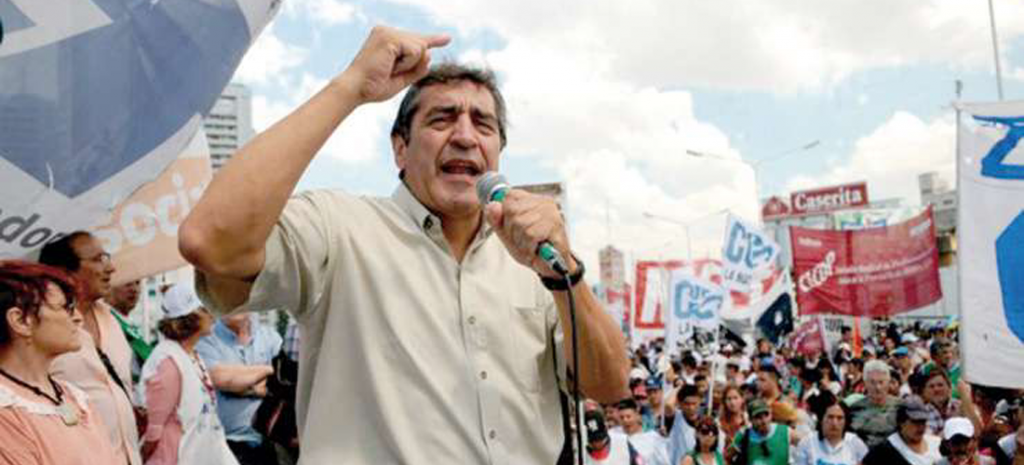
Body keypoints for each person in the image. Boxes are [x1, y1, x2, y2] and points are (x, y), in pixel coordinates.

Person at [177, 25, 630, 464]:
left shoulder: (534, 260)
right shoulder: (339, 230)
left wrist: (564, 273)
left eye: (483, 124)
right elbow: (210, 240)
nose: (465, 137)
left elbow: (610, 384)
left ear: (497, 154)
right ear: (400, 149)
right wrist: (351, 87)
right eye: (442, 119)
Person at [0, 260, 121, 464]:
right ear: (20, 321)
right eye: (66, 307)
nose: (78, 318)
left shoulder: (74, 396)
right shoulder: (6, 411)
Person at [39, 231, 143, 465]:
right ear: (65, 272)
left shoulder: (112, 320)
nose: (111, 268)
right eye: (98, 260)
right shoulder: (42, 330)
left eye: (107, 258)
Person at [139, 282, 236, 465]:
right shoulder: (168, 361)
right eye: (206, 310)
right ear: (189, 318)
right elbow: (154, 430)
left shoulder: (191, 355)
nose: (213, 315)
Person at [195, 313, 281, 465]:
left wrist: (239, 383)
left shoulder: (270, 337)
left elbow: (282, 382)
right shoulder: (206, 338)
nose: (233, 306)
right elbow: (219, 378)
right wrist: (269, 370)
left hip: (269, 446)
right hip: (224, 446)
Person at [862, 397, 941, 465]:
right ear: (901, 423)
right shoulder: (885, 450)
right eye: (915, 422)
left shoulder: (936, 443)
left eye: (923, 422)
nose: (921, 427)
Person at [793, 394, 869, 465]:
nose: (834, 423)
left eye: (840, 418)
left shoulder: (855, 443)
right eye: (830, 417)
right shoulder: (808, 442)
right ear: (821, 419)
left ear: (846, 421)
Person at [107, 279, 154, 384]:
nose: (134, 289)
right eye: (127, 283)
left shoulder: (125, 321)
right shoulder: (107, 322)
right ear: (109, 287)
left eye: (137, 283)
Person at [726, 399, 794, 465]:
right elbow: (727, 457)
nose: (764, 421)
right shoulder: (744, 435)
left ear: (771, 415)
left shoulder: (785, 431)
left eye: (766, 415)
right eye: (758, 417)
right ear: (750, 419)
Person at [850, 360, 900, 448]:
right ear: (865, 383)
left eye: (881, 382)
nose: (877, 387)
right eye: (872, 382)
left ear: (888, 382)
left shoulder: (901, 407)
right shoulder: (854, 409)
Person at [620, 398, 671, 465]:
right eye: (622, 418)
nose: (625, 420)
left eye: (628, 416)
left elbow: (666, 461)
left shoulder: (653, 437)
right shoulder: (617, 439)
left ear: (637, 416)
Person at [668, 384, 703, 465]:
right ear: (680, 403)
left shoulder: (705, 421)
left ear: (699, 402)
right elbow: (668, 405)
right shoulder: (675, 417)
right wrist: (679, 387)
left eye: (694, 403)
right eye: (687, 404)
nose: (691, 408)